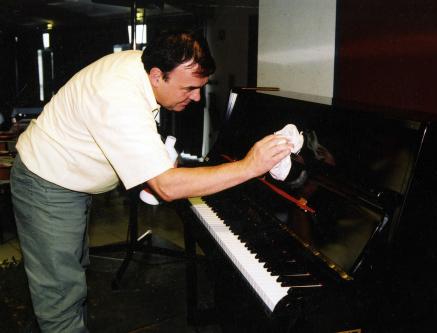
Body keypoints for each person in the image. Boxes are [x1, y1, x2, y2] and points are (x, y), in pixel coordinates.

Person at [9, 29, 292, 332]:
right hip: (48, 182)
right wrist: (249, 167)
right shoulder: (119, 95)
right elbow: (167, 187)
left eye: (201, 88)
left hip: (71, 179)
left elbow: (135, 141)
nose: (196, 97)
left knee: (68, 277)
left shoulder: (141, 68)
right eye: (189, 88)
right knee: (60, 297)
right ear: (158, 76)